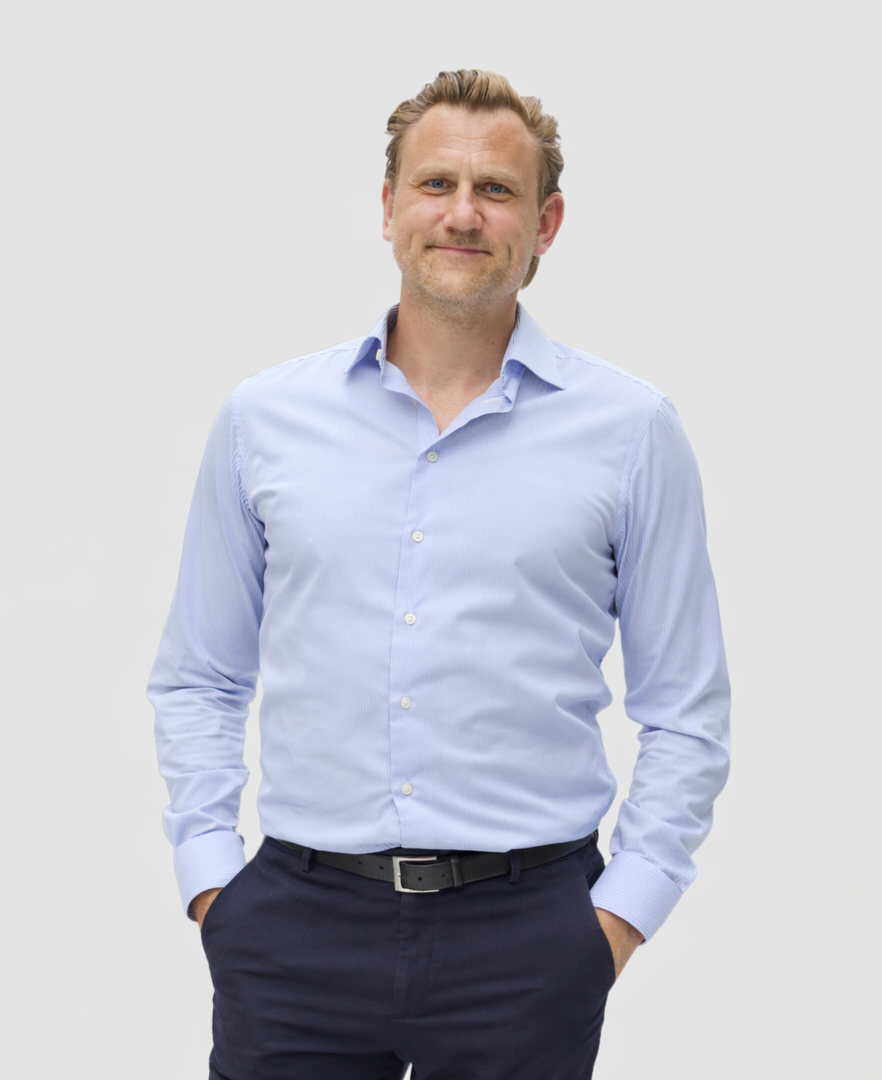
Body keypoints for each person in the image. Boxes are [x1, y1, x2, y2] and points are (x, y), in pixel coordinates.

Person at [149, 69, 730, 1080]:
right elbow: (200, 673)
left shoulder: (632, 433)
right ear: (387, 209)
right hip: (293, 929)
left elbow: (685, 707)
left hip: (527, 937)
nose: (462, 214)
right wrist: (213, 886)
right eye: (435, 184)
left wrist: (618, 920)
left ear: (546, 224)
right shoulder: (263, 420)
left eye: (496, 191)